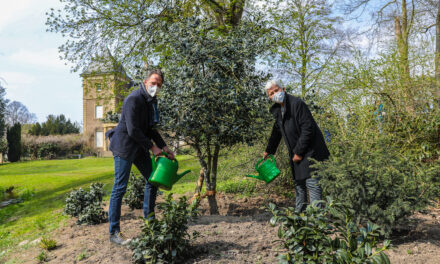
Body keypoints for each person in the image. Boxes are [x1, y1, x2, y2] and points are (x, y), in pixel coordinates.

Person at [106, 69, 175, 245]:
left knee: (152, 179)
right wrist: (153, 147)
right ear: (145, 82)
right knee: (120, 188)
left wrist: (164, 146)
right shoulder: (133, 99)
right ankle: (114, 233)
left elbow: (151, 129)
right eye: (153, 83)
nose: (156, 87)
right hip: (124, 146)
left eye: (159, 84)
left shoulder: (151, 102)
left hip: (138, 146)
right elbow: (133, 130)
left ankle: (150, 221)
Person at [263, 80, 330, 213]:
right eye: (271, 94)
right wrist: (269, 150)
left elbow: (308, 129)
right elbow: (277, 132)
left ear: (283, 89)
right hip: (296, 152)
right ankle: (299, 217)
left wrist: (299, 152)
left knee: (312, 183)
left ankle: (316, 221)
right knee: (299, 184)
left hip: (311, 151)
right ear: (269, 97)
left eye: (276, 90)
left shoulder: (296, 104)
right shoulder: (278, 110)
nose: (275, 94)